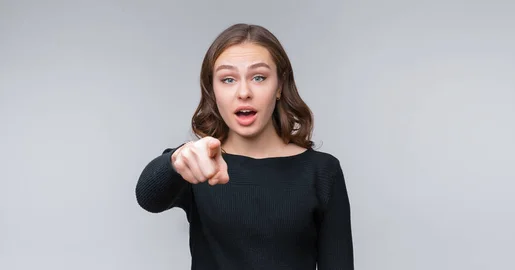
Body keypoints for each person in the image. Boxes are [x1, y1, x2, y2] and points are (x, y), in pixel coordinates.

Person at [135, 23, 354, 270]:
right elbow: (147, 198)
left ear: (280, 86)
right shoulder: (200, 163)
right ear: (213, 90)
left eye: (258, 77)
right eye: (228, 79)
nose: (243, 92)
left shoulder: (323, 171)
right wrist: (176, 161)